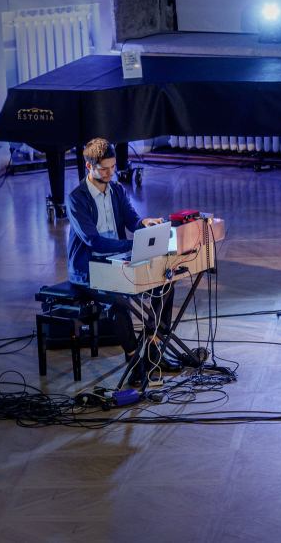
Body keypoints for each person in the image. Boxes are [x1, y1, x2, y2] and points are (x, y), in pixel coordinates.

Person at [66, 137, 181, 383]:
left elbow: (132, 221)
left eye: (113, 167)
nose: (110, 173)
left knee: (166, 283)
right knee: (118, 300)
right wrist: (133, 245)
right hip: (88, 269)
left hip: (117, 259)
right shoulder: (76, 198)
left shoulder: (116, 189)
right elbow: (93, 241)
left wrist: (145, 223)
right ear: (89, 166)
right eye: (104, 169)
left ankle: (153, 350)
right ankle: (134, 360)